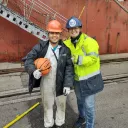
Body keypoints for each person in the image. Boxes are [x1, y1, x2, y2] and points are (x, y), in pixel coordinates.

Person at [24, 20, 74, 128]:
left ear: (60, 34)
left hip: (61, 82)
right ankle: (48, 124)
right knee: (47, 105)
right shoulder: (40, 47)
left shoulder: (66, 50)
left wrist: (68, 84)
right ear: (48, 33)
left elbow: (69, 67)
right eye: (52, 33)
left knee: (61, 105)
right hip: (46, 81)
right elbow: (28, 59)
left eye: (57, 33)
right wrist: (33, 71)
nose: (54, 35)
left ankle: (60, 123)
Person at [64, 16, 104, 128]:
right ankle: (82, 118)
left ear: (80, 28)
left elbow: (93, 58)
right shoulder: (67, 44)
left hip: (90, 80)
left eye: (76, 28)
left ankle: (90, 125)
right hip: (77, 80)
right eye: (71, 29)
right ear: (68, 31)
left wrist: (77, 59)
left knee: (89, 105)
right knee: (80, 101)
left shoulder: (89, 42)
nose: (73, 30)